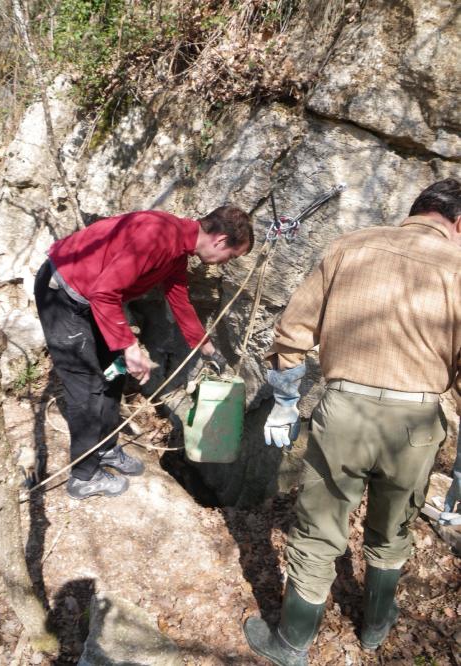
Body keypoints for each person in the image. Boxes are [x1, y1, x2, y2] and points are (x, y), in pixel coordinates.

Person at [244, 179, 461, 665]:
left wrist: (285, 400)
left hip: (345, 411)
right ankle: (376, 626)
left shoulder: (351, 246)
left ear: (415, 211)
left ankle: (293, 643)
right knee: (394, 527)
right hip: (417, 422)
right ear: (458, 224)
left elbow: (292, 333)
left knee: (320, 528)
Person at [34, 206, 254, 500]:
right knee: (85, 387)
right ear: (220, 240)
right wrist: (130, 346)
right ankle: (83, 476)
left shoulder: (177, 247)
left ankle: (106, 446)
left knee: (113, 375)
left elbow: (178, 298)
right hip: (63, 297)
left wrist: (206, 346)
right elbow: (105, 292)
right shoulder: (157, 235)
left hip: (92, 303)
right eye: (232, 256)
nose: (226, 262)